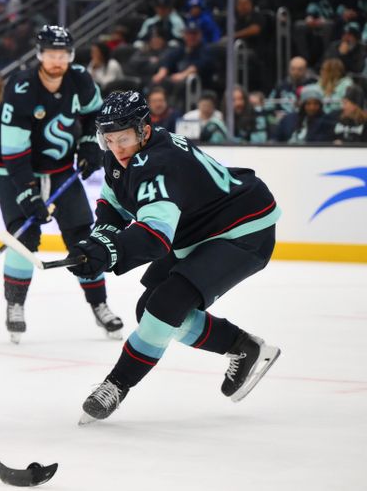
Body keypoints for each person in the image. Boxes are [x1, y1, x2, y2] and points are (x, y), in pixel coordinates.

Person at [66, 91, 282, 423]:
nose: (116, 148)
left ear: (144, 130)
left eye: (123, 138)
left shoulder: (158, 165)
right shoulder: (118, 156)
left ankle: (116, 385)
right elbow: (113, 211)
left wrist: (109, 252)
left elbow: (154, 237)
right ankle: (243, 346)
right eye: (108, 139)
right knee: (150, 310)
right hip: (199, 230)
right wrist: (97, 243)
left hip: (244, 230)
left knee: (164, 307)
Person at [0, 25, 122, 344]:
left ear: (71, 56)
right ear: (40, 55)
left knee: (83, 237)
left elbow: (95, 116)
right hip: (14, 170)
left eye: (62, 54)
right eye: (51, 54)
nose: (57, 61)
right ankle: (15, 306)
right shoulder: (21, 88)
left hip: (61, 170)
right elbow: (14, 153)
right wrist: (29, 194)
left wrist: (90, 144)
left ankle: (99, 304)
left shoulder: (80, 79)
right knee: (25, 235)